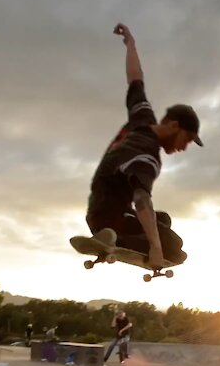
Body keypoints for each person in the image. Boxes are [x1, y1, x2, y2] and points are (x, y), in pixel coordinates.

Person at [84, 22, 203, 270]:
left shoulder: (142, 117)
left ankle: (118, 234)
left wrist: (131, 45)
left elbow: (135, 80)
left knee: (164, 220)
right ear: (173, 126)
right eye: (186, 140)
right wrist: (156, 249)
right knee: (176, 249)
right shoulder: (147, 154)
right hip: (112, 218)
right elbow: (141, 200)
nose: (184, 148)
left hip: (101, 210)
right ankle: (118, 238)